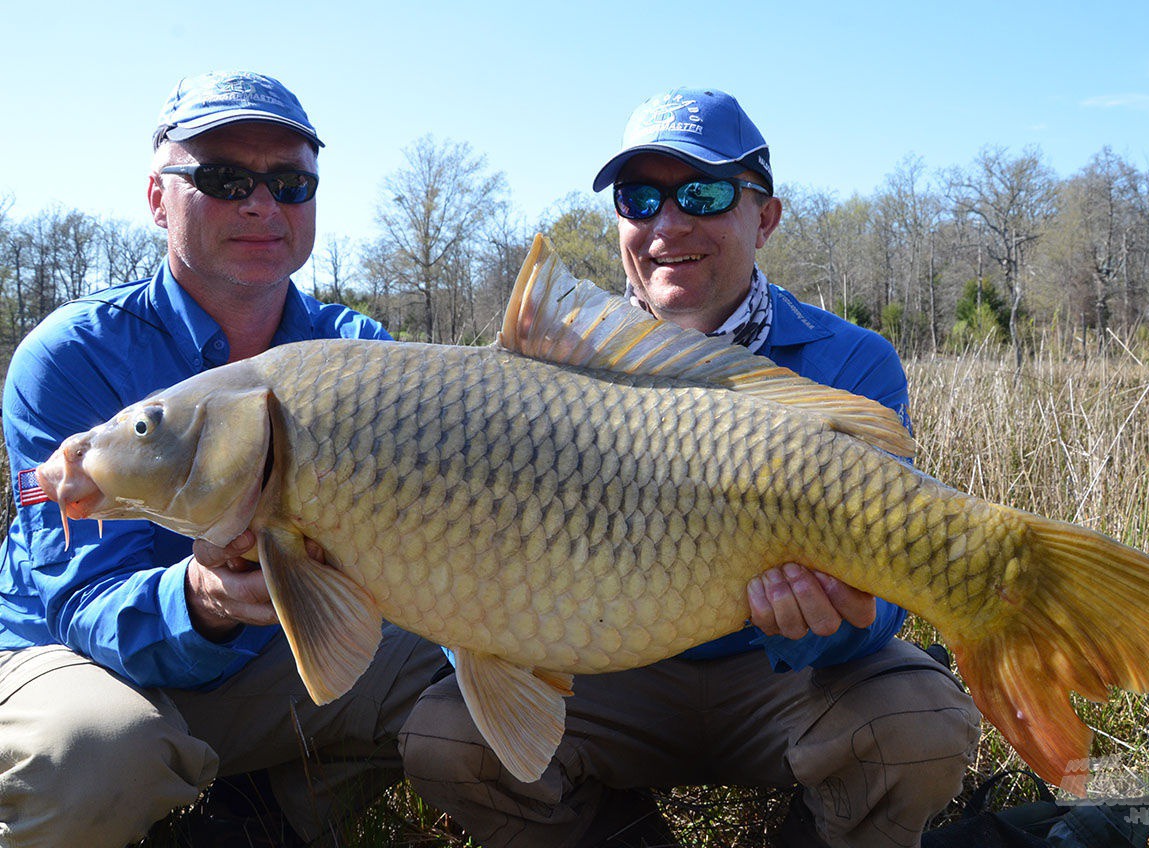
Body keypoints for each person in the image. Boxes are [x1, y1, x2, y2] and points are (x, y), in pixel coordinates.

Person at [400, 88, 982, 848]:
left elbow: (886, 609)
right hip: (608, 673)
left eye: (702, 193)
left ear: (764, 216)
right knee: (447, 741)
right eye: (639, 199)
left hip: (781, 679)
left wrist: (821, 625)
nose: (667, 225)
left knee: (923, 728)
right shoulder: (545, 366)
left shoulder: (851, 363)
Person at [0, 71, 446, 848]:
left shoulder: (363, 355)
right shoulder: (71, 357)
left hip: (276, 659)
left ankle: (274, 814)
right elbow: (80, 603)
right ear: (156, 198)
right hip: (82, 666)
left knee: (457, 676)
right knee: (94, 755)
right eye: (223, 178)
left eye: (290, 182)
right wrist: (201, 600)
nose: (262, 204)